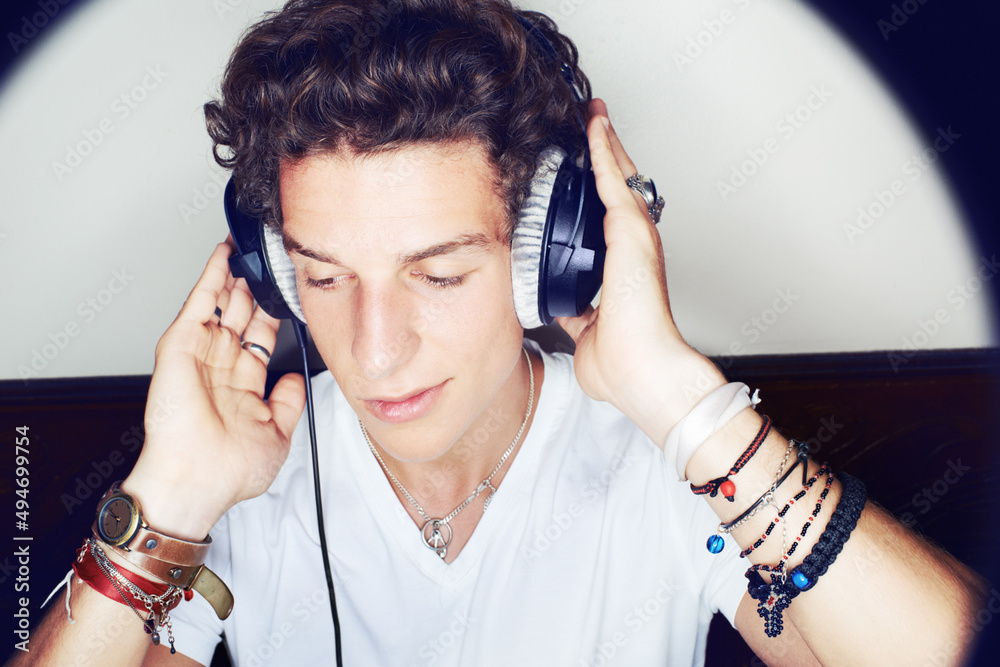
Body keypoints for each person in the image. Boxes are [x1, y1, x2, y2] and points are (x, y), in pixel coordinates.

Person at [17, 1, 986, 665]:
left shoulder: (671, 462)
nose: (375, 348)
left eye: (437, 274)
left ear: (550, 257)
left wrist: (683, 401)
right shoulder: (242, 479)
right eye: (322, 274)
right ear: (273, 265)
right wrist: (170, 493)